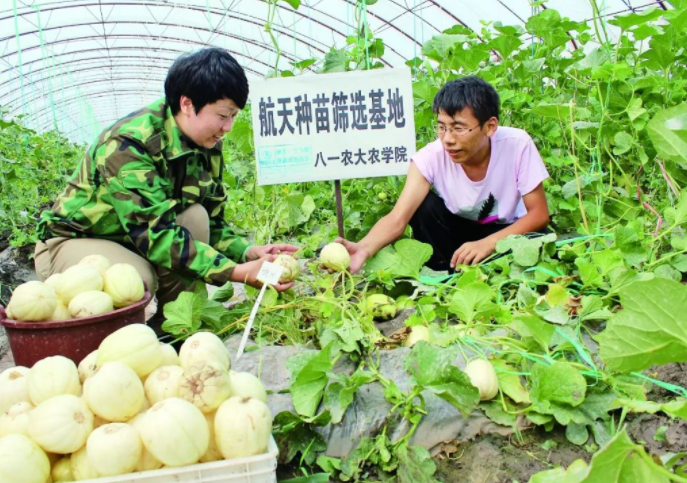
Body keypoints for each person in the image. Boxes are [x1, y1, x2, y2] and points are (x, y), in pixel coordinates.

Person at [34, 47, 297, 332]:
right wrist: (234, 272)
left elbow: (214, 222)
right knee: (134, 279)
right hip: (73, 242)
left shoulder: (206, 145)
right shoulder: (129, 144)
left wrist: (246, 252)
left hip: (129, 239)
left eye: (234, 116)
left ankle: (172, 327)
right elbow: (154, 234)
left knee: (195, 216)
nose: (229, 127)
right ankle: (109, 346)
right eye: (223, 115)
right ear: (187, 104)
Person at [337, 76, 550, 273]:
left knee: (537, 240)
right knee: (423, 207)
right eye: (441, 127)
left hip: (508, 232)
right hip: (458, 236)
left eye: (458, 128)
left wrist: (489, 243)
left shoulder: (516, 144)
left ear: (489, 126)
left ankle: (481, 269)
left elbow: (539, 214)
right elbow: (397, 217)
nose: (447, 139)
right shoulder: (430, 157)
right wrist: (363, 248)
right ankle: (446, 274)